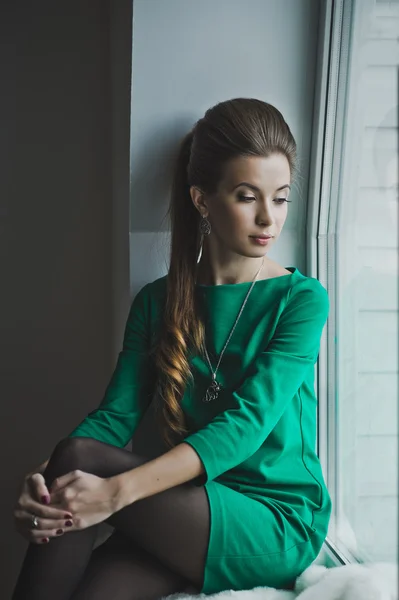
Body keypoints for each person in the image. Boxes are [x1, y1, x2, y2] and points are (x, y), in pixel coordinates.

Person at [12, 97, 332, 600]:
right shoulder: (156, 301)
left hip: (273, 518)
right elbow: (114, 417)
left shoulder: (301, 300)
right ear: (202, 199)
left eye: (282, 197)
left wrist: (114, 493)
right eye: (248, 197)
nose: (269, 218)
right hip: (186, 503)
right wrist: (44, 481)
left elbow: (244, 427)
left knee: (78, 459)